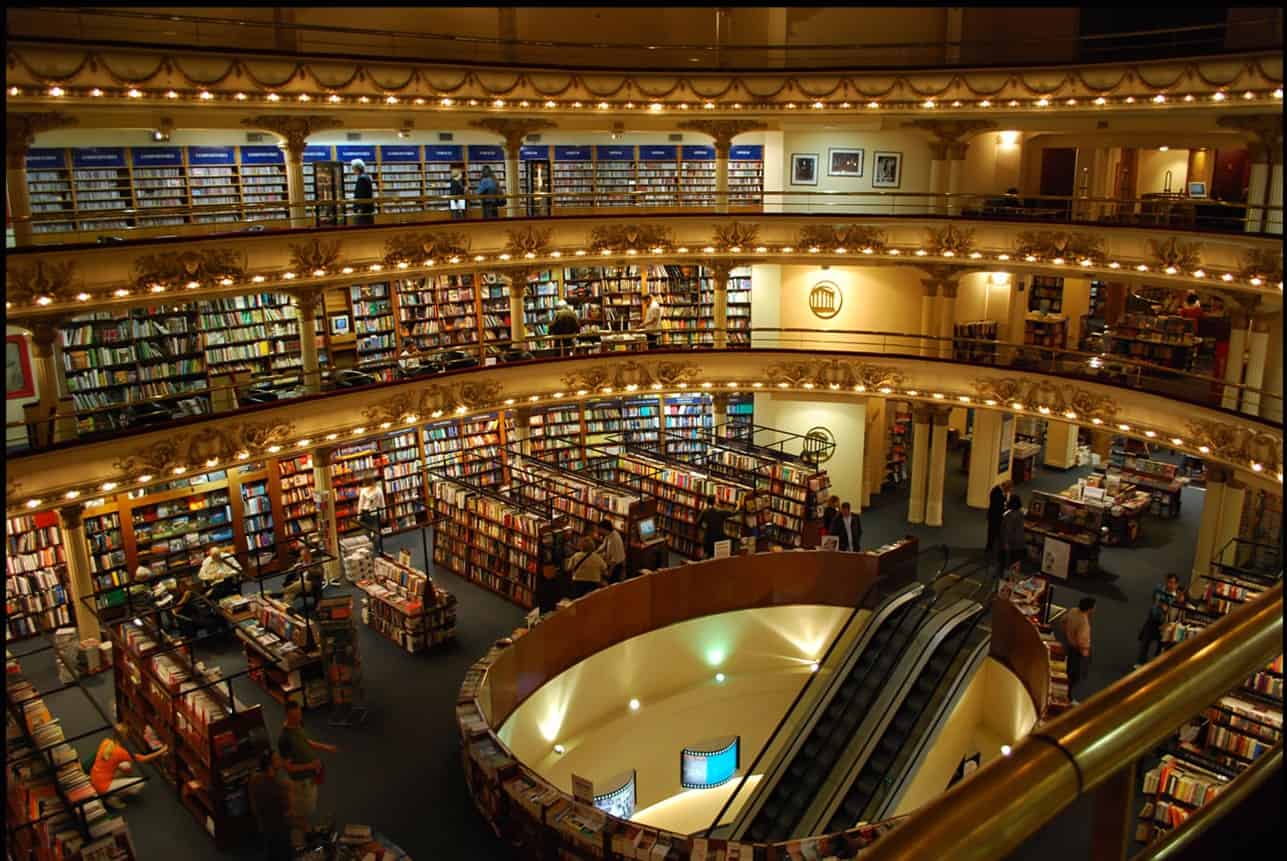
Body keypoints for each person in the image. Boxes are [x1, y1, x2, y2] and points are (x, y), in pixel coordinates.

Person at [277, 701, 339, 841]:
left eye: (299, 714)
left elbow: (305, 741)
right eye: (295, 716)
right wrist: (310, 766)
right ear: (288, 716)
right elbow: (288, 767)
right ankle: (303, 835)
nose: (299, 718)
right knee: (300, 812)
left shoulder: (297, 726)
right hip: (301, 781)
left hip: (309, 778)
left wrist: (325, 747)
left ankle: (305, 830)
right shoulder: (284, 739)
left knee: (306, 809)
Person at [90, 723, 168, 809]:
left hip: (94, 779)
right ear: (124, 737)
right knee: (140, 783)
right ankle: (111, 798)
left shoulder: (106, 742)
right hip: (103, 787)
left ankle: (109, 792)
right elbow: (143, 759)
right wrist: (162, 750)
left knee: (126, 766)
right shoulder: (120, 752)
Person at [248, 751, 292, 861]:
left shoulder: (254, 779)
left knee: (271, 852)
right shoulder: (278, 788)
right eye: (277, 759)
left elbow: (253, 805)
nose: (280, 760)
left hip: (264, 825)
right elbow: (288, 810)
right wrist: (289, 790)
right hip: (279, 828)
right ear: (270, 766)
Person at [1136, 574, 1182, 668]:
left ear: (1177, 585)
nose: (1170, 585)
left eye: (1173, 583)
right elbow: (1156, 599)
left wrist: (1177, 602)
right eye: (1169, 582)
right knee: (1146, 640)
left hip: (1166, 623)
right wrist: (1162, 605)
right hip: (1154, 618)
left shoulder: (1178, 596)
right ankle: (1140, 662)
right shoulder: (1159, 589)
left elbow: (1179, 606)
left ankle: (1155, 665)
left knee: (1161, 644)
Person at [1062, 596, 1096, 704]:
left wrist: (1067, 635)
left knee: (1068, 669)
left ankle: (1066, 693)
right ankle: (1068, 697)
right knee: (1075, 675)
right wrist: (1085, 650)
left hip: (1069, 645)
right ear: (1089, 609)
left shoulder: (1073, 611)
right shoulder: (1083, 622)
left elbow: (1063, 621)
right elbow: (1081, 641)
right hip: (1077, 650)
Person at [999, 494, 1026, 576]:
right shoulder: (1021, 513)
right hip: (1020, 543)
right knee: (1016, 564)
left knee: (1007, 565)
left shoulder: (1009, 516)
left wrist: (1005, 544)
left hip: (1010, 544)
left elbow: (1007, 531)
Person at [697, 495, 731, 559]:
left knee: (707, 556)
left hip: (708, 537)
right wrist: (738, 505)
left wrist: (704, 527)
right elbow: (732, 513)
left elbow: (698, 522)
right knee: (717, 558)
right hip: (718, 537)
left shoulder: (705, 511)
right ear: (715, 501)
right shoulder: (720, 511)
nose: (718, 499)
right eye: (717, 498)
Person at [986, 480, 1013, 554]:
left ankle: (993, 548)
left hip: (997, 516)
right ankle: (989, 549)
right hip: (994, 517)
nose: (1009, 491)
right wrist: (1006, 501)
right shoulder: (996, 492)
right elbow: (999, 506)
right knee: (992, 533)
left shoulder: (1000, 491)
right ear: (1006, 487)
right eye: (1009, 489)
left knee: (996, 533)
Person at [597, 517, 626, 583]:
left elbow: (614, 560)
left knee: (612, 584)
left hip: (616, 567)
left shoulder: (614, 539)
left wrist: (609, 573)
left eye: (599, 529)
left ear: (604, 529)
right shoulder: (609, 534)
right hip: (611, 563)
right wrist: (594, 553)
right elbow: (603, 546)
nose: (598, 531)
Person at [350, 158, 374, 226]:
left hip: (363, 212)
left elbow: (362, 195)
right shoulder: (366, 177)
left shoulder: (361, 178)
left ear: (356, 168)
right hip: (367, 210)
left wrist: (359, 210)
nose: (353, 171)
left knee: (361, 230)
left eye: (353, 168)